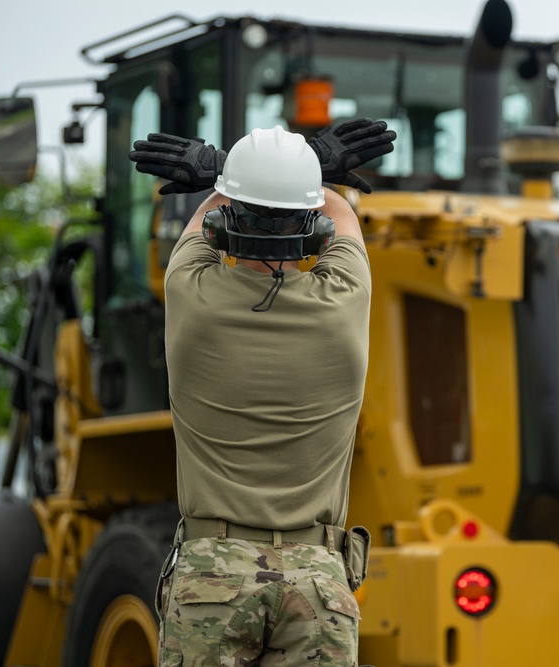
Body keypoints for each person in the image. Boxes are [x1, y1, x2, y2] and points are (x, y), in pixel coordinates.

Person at [128, 119, 394, 666]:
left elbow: (205, 221)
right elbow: (342, 213)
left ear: (227, 214)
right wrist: (307, 164)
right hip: (318, 584)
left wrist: (226, 171)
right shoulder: (345, 301)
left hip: (211, 580)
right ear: (310, 223)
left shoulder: (190, 295)